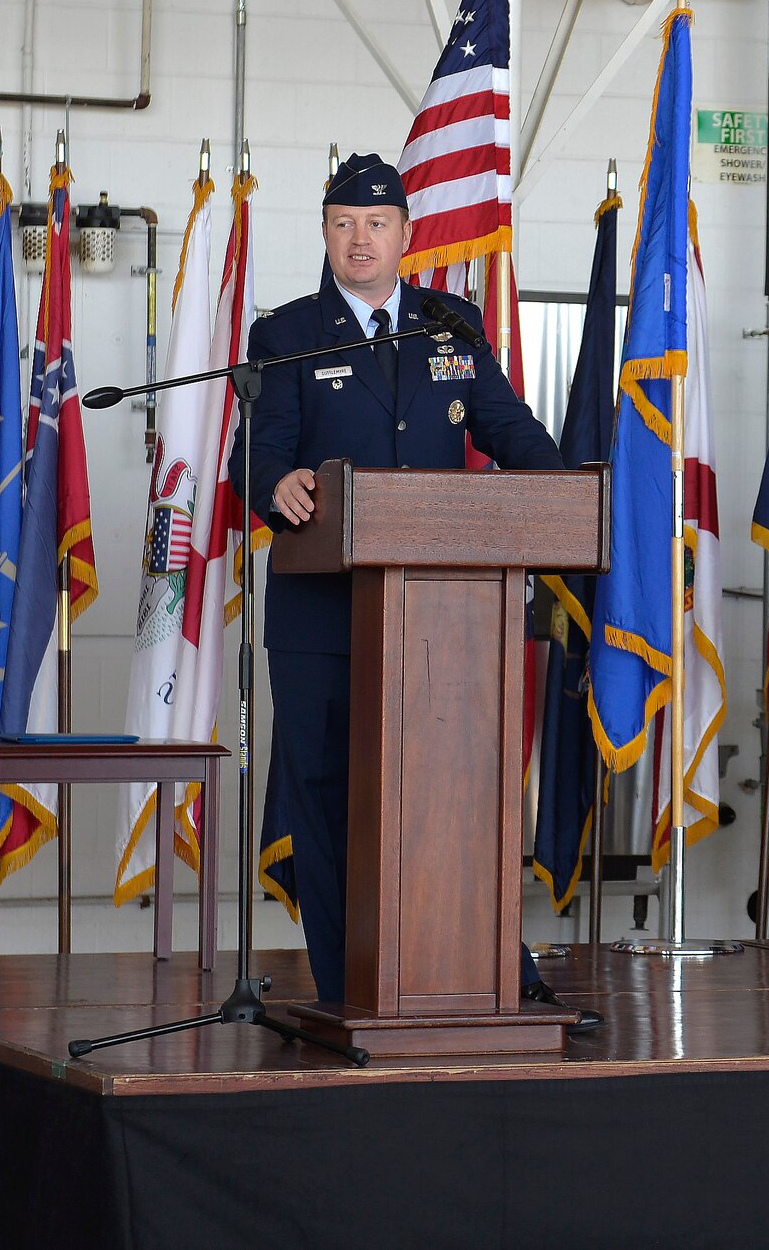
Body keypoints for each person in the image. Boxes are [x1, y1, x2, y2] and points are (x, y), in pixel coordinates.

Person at [231, 153, 600, 1030]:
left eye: (377, 224)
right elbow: (260, 448)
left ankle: (490, 972)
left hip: (443, 621)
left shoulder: (450, 323)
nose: (361, 239)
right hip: (323, 614)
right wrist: (274, 482)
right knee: (326, 795)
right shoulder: (286, 334)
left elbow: (506, 425)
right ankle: (340, 983)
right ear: (326, 233)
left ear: (404, 234)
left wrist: (564, 492)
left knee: (450, 790)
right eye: (343, 224)